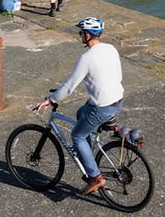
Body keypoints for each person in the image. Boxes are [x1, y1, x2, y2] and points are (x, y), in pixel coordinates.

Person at [35, 17, 123, 196]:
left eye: (81, 33)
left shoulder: (86, 58)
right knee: (81, 112)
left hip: (102, 106)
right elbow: (116, 75)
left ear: (88, 35)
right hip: (117, 99)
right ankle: (88, 154)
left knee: (76, 136)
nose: (80, 35)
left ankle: (95, 177)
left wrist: (51, 100)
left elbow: (69, 87)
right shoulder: (110, 48)